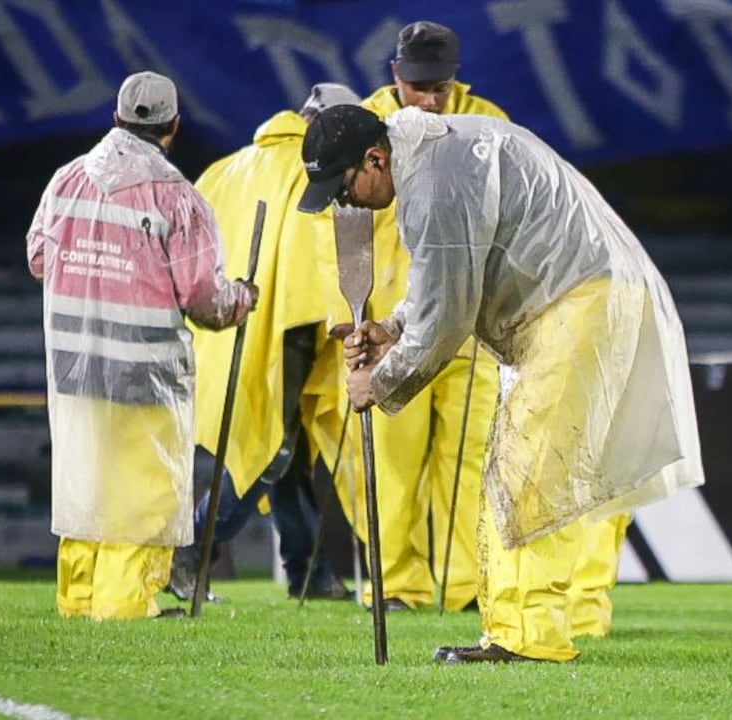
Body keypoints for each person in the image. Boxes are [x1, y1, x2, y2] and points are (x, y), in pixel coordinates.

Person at [298, 105, 705, 663]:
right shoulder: (436, 157)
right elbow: (443, 280)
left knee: (531, 476)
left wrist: (381, 382)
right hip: (580, 299)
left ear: (375, 158)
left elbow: (448, 319)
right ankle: (512, 630)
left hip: (576, 304)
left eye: (343, 189)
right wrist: (391, 329)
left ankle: (530, 639)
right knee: (520, 473)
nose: (345, 204)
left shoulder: (434, 180)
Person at [25, 71, 257, 620]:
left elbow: (39, 259)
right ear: (173, 127)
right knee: (145, 489)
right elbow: (203, 297)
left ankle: (78, 597)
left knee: (85, 477)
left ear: (116, 119)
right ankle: (126, 603)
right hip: (144, 369)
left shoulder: (66, 180)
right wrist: (241, 297)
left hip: (73, 362)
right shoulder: (178, 198)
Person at [307, 20, 508, 613]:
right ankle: (398, 585)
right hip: (391, 323)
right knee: (393, 463)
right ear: (395, 74)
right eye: (419, 86)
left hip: (469, 324)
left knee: (470, 458)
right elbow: (329, 231)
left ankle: (465, 585)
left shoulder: (487, 120)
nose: (429, 98)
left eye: (440, 87)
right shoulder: (364, 128)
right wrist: (343, 313)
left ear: (455, 79)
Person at [167, 83, 362, 603]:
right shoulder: (310, 165)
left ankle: (309, 571)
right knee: (272, 449)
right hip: (287, 323)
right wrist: (349, 319)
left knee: (286, 450)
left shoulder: (228, 166)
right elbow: (324, 249)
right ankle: (190, 548)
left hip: (222, 324)